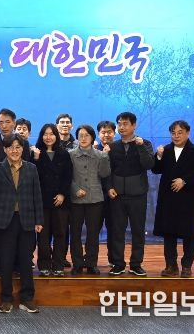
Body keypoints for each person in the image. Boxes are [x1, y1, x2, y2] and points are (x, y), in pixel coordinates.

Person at [0, 134, 43, 314]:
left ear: (23, 149)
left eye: (18, 147)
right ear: (5, 149)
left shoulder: (32, 168)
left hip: (27, 220)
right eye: (10, 148)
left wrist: (39, 220)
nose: (14, 151)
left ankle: (27, 298)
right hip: (4, 221)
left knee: (26, 261)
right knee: (6, 261)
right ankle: (6, 299)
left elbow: (37, 195)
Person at [152, 120, 194, 278]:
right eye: (173, 133)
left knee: (189, 234)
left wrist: (184, 180)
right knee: (169, 233)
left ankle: (187, 266)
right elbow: (156, 170)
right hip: (168, 198)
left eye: (180, 132)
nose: (176, 136)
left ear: (187, 133)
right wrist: (158, 156)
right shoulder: (166, 150)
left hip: (187, 199)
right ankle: (171, 266)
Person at [106, 112, 154, 276]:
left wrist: (140, 147)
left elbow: (149, 164)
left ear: (134, 125)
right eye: (119, 124)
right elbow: (108, 170)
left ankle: (136, 264)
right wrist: (109, 187)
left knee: (138, 231)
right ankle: (118, 264)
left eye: (125, 124)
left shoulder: (145, 143)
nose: (121, 127)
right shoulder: (113, 146)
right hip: (117, 196)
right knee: (117, 231)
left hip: (138, 195)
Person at [0, 109, 31, 276]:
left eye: (7, 122)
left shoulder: (23, 143)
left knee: (18, 235)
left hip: (18, 197)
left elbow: (26, 169)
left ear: (14, 123)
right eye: (0, 122)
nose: (4, 125)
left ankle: (17, 265)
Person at [69, 125, 110, 276]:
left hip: (95, 200)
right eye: (80, 135)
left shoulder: (100, 155)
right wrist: (75, 189)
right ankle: (77, 264)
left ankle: (91, 263)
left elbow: (105, 174)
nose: (83, 138)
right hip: (75, 200)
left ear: (92, 137)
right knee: (75, 233)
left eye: (87, 135)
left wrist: (105, 157)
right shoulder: (70, 155)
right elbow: (66, 176)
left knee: (93, 234)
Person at [31, 123, 72, 277]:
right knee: (43, 235)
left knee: (60, 234)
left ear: (56, 136)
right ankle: (44, 265)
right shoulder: (36, 153)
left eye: (51, 134)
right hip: (42, 201)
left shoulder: (64, 154)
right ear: (41, 136)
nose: (48, 137)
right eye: (45, 134)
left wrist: (62, 194)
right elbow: (33, 177)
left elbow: (68, 176)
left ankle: (58, 265)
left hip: (60, 201)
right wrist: (36, 159)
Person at [95, 120, 117, 266]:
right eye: (103, 132)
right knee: (94, 229)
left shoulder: (119, 149)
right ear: (98, 134)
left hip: (114, 196)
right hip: (96, 196)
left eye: (109, 132)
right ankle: (91, 260)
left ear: (114, 133)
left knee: (114, 229)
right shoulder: (93, 149)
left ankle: (114, 260)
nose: (106, 135)